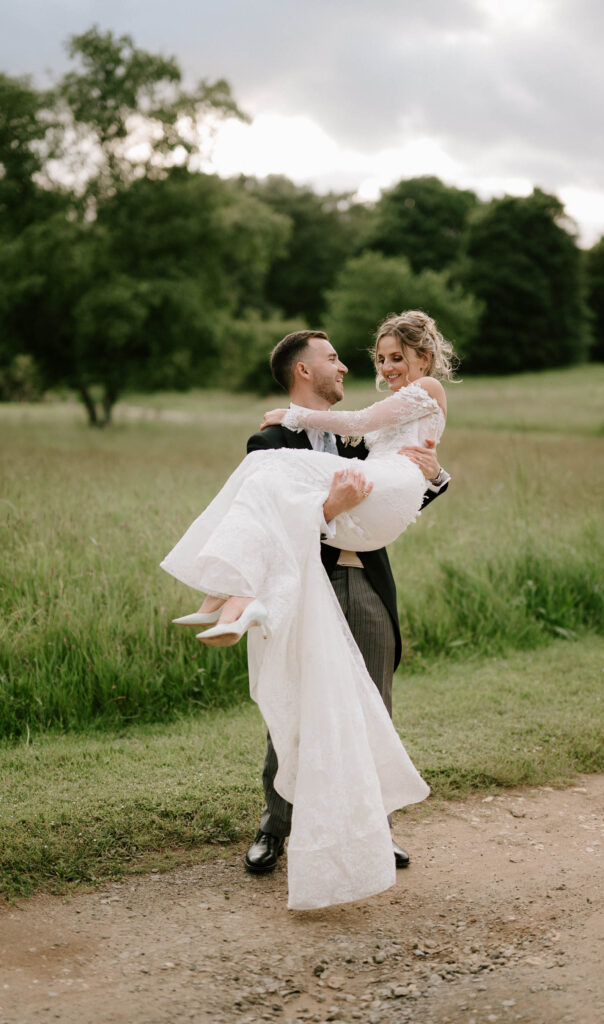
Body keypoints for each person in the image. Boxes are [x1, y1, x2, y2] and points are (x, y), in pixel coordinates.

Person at [160, 311, 455, 910]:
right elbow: (273, 522)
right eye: (335, 358)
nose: (351, 366)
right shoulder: (270, 444)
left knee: (372, 700)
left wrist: (438, 473)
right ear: (304, 369)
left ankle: (373, 829)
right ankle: (277, 826)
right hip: (303, 583)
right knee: (293, 706)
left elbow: (400, 468)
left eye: (380, 357)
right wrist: (326, 509)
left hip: (364, 581)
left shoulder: (355, 431)